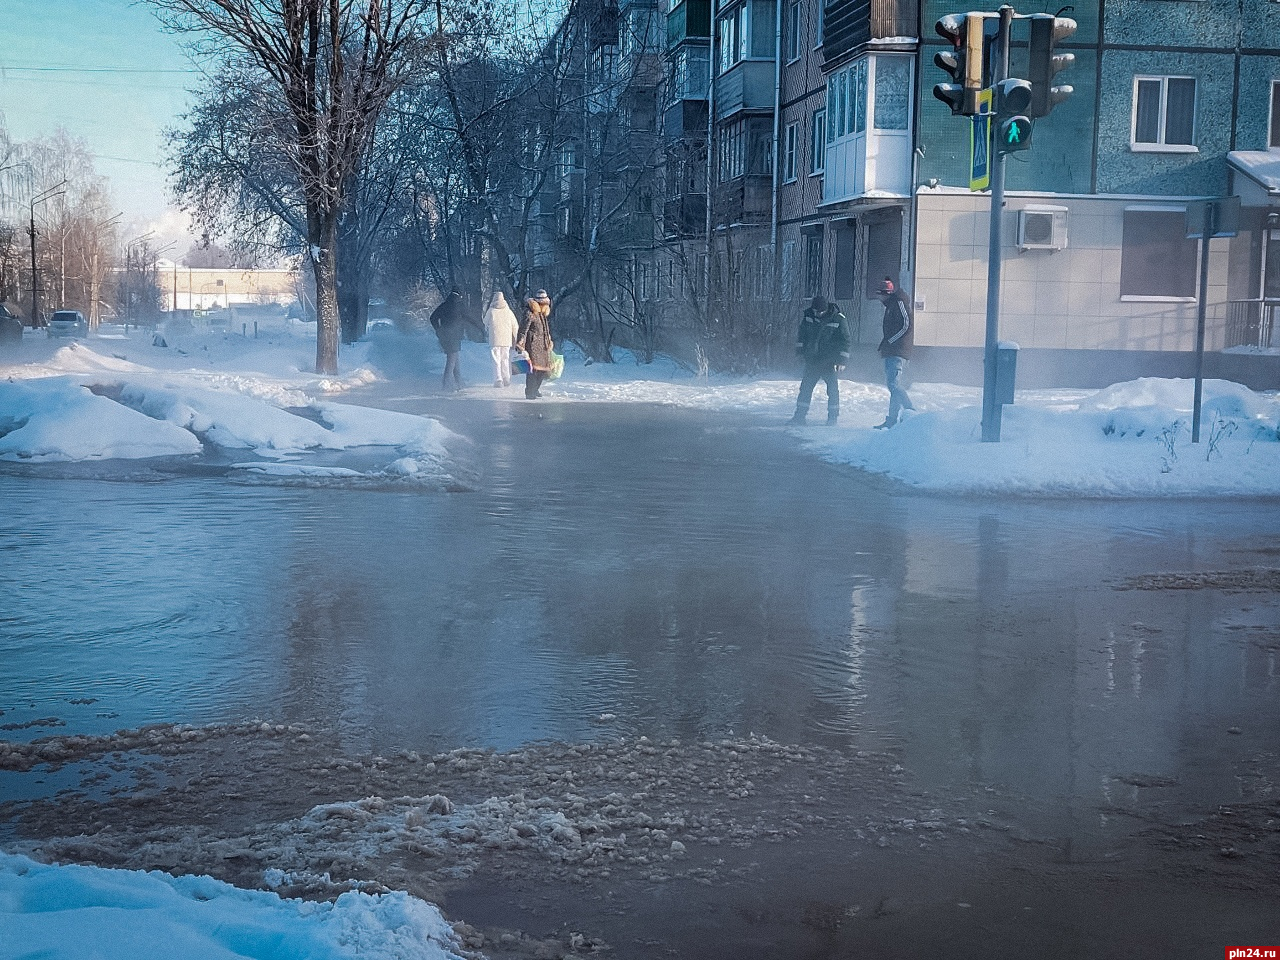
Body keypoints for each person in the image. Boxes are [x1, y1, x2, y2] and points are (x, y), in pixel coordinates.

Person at [789, 295, 851, 426]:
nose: (818, 314)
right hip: (812, 360)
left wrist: (842, 361)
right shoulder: (808, 316)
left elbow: (845, 341)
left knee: (832, 390)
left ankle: (832, 418)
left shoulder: (838, 319)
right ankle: (799, 417)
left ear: (826, 309)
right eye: (816, 311)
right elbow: (802, 336)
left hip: (830, 361)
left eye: (820, 312)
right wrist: (800, 353)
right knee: (805, 388)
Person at [875, 277, 915, 429]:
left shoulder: (898, 303)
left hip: (898, 350)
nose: (879, 298)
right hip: (892, 350)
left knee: (894, 385)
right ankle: (892, 420)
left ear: (887, 293)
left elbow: (907, 325)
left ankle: (911, 411)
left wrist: (891, 340)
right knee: (893, 386)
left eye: (880, 294)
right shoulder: (892, 304)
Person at [429, 289, 482, 391]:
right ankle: (446, 384)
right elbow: (469, 318)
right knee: (451, 360)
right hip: (454, 336)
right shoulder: (459, 306)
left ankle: (459, 382)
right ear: (459, 296)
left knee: (454, 358)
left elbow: (432, 318)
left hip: (445, 336)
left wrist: (438, 329)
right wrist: (480, 327)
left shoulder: (444, 305)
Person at [516, 289, 554, 400]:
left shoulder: (543, 313)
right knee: (533, 370)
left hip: (543, 346)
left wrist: (549, 340)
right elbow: (523, 328)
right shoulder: (530, 312)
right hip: (532, 346)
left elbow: (546, 330)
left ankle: (535, 388)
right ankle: (529, 392)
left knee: (543, 370)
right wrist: (520, 342)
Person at [483, 291, 521, 387]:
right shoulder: (508, 311)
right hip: (506, 340)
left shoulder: (491, 310)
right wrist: (517, 339)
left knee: (496, 360)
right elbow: (515, 326)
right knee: (505, 359)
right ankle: (506, 378)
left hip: (495, 339)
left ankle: (498, 380)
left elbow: (485, 323)